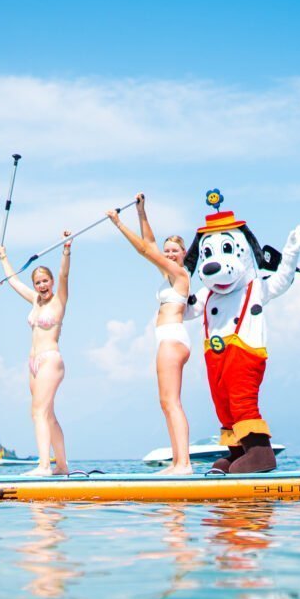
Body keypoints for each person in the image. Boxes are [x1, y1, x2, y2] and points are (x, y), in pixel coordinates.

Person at [107, 193, 194, 474]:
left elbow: (145, 251)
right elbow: (151, 245)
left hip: (172, 339)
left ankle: (184, 463)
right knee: (166, 402)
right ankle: (177, 462)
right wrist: (141, 212)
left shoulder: (180, 274)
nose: (169, 254)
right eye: (167, 251)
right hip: (168, 338)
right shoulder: (168, 276)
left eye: (174, 250)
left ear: (184, 253)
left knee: (172, 402)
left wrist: (119, 224)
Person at [0, 232, 72, 476]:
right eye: (38, 282)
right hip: (33, 364)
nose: (42, 286)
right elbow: (13, 282)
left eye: (45, 281)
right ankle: (62, 466)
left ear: (51, 281)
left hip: (51, 360)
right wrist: (4, 257)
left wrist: (66, 250)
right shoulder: (35, 301)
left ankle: (44, 465)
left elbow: (64, 275)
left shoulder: (59, 300)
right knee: (47, 415)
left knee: (38, 412)